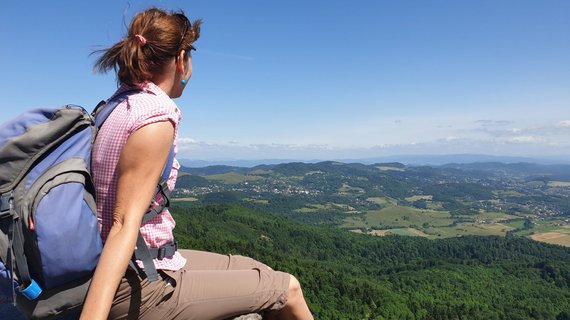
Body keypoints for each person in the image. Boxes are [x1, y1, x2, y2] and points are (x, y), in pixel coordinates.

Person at [81, 7, 313, 320]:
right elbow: (123, 225)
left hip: (146, 260)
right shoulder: (154, 118)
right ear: (181, 60)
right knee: (289, 289)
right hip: (137, 282)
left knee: (259, 270)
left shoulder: (116, 106)